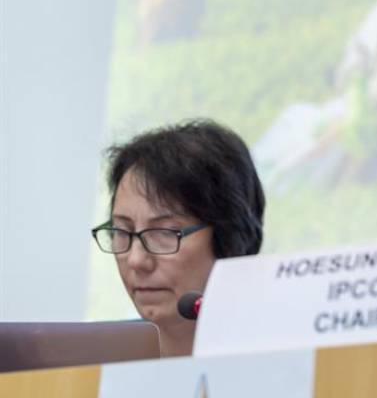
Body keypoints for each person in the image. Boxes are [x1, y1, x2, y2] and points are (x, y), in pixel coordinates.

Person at [91, 120, 265, 356]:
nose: (136, 260)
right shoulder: (92, 364)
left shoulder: (287, 360)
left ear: (231, 239)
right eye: (122, 231)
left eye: (164, 233)